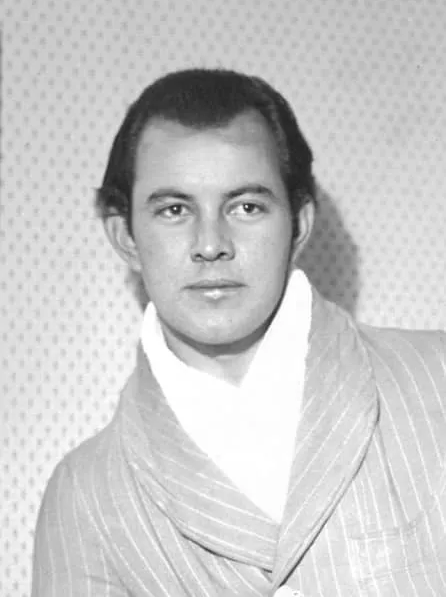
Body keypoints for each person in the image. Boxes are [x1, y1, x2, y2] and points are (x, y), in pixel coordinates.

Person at [32, 68, 446, 596]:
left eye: (246, 207)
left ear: (299, 224)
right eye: (174, 210)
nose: (211, 244)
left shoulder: (437, 380)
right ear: (126, 237)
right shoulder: (83, 497)